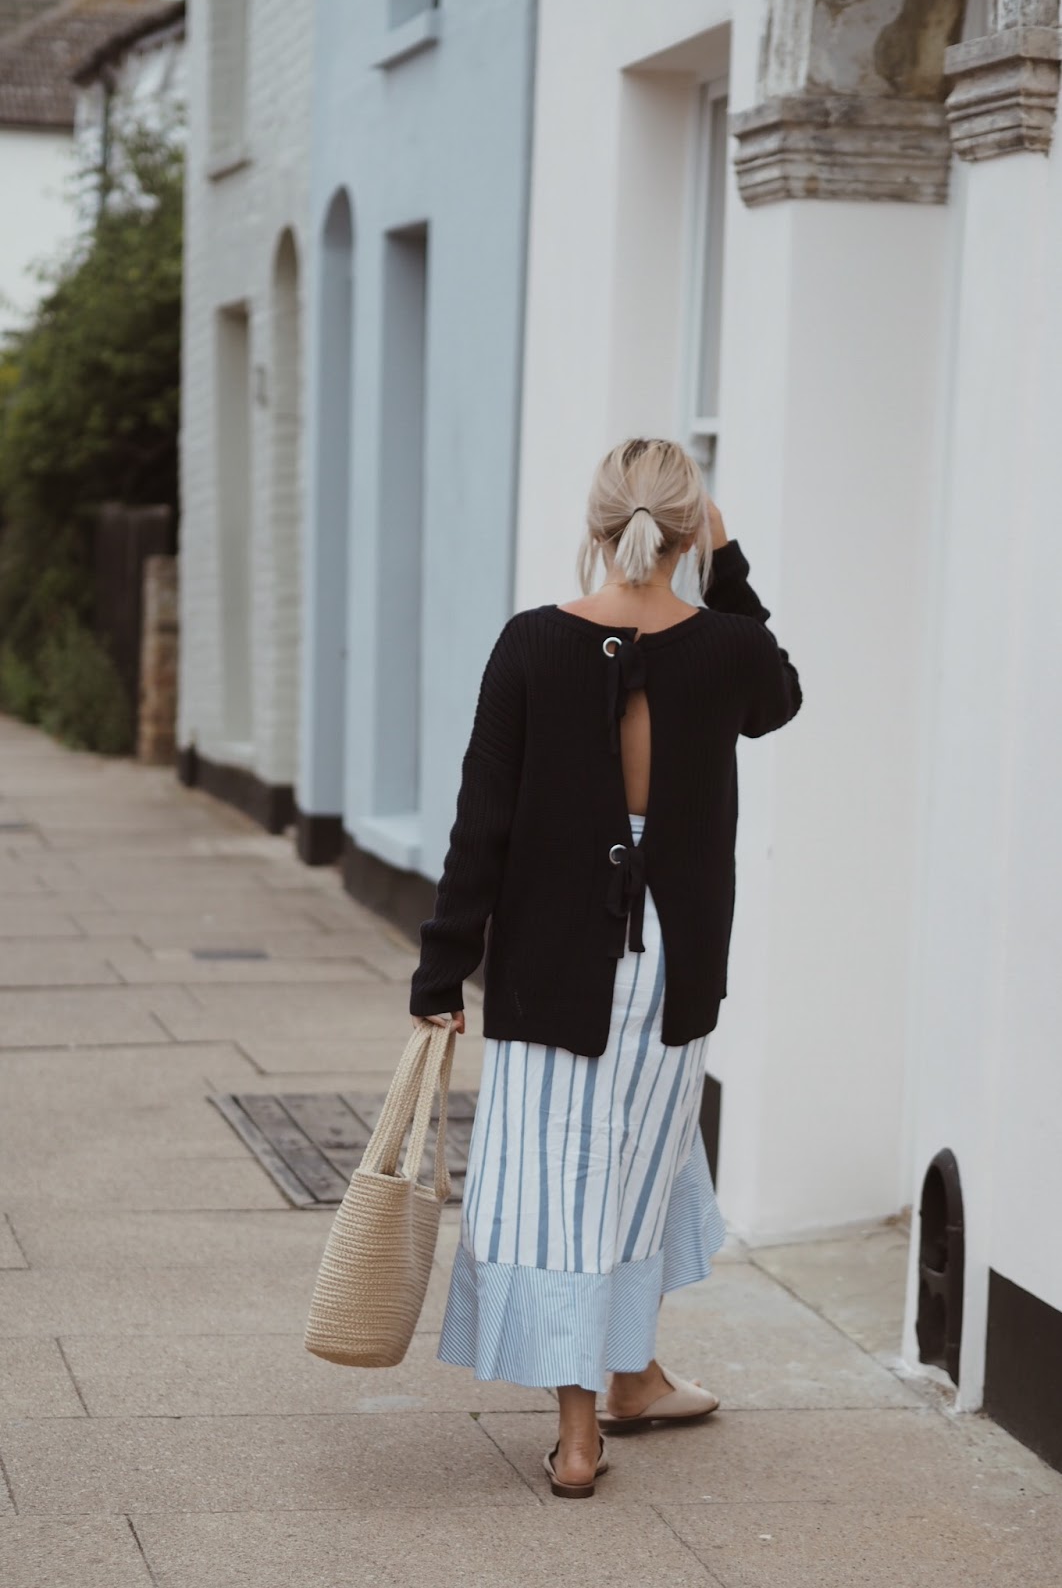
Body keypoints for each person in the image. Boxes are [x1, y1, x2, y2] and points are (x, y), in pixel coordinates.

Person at [409, 437, 803, 1498]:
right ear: (689, 532)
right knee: (631, 1165)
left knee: (562, 1181)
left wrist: (442, 972)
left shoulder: (531, 644)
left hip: (550, 958)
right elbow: (780, 696)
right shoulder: (724, 647)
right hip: (671, 965)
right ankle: (622, 1384)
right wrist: (731, 564)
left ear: (595, 526)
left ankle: (591, 1423)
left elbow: (480, 820)